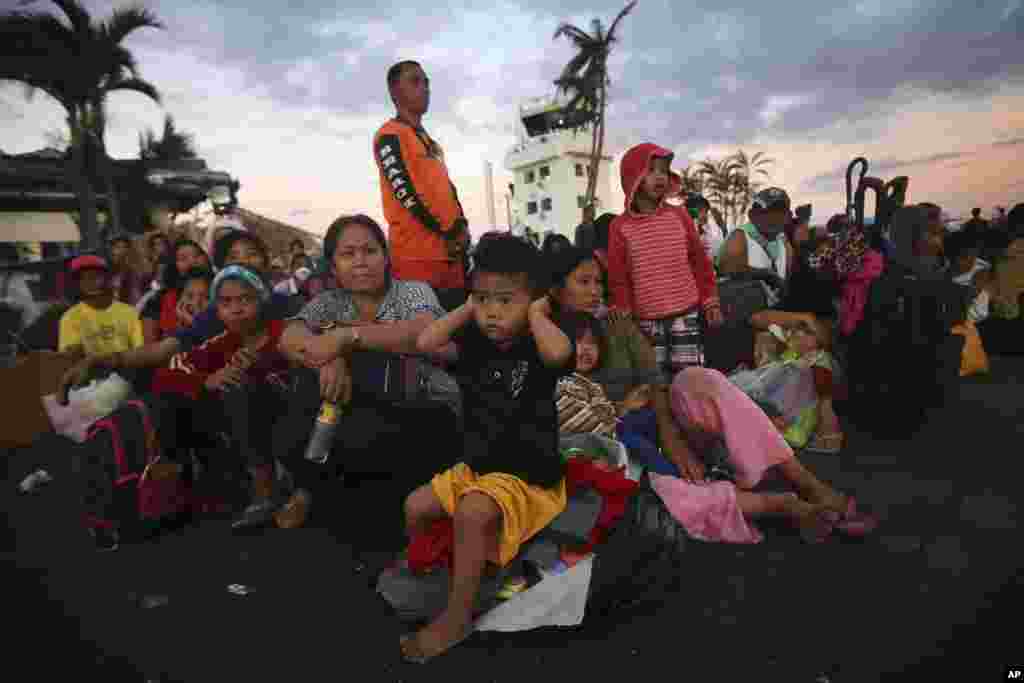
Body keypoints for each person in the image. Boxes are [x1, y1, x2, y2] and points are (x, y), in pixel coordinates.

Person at [548, 246, 873, 543]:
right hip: (621, 445)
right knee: (660, 493)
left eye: (598, 283)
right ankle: (784, 505)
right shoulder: (545, 340)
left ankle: (807, 483)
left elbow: (655, 379)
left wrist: (671, 435)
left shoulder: (616, 322)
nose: (596, 292)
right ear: (556, 289)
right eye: (583, 282)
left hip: (666, 424)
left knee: (697, 379)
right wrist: (622, 409)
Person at [400, 234, 574, 663]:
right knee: (415, 506)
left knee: (473, 511)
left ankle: (457, 619)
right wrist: (468, 306)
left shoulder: (538, 341)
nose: (493, 311)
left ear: (534, 300)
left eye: (505, 300)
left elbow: (560, 354)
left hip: (528, 474)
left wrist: (535, 312)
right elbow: (424, 344)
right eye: (483, 299)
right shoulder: (474, 343)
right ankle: (444, 581)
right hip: (479, 467)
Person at [272, 214, 460, 530]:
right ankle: (322, 493)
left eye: (370, 251)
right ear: (333, 267)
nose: (361, 262)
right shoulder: (329, 302)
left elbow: (423, 332)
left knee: (360, 386)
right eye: (348, 254)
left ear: (385, 258)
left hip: (424, 411)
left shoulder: (412, 292)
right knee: (305, 405)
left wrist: (346, 339)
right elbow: (290, 338)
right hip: (362, 412)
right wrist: (330, 357)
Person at [59, 230, 303, 399]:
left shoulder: (291, 305)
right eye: (233, 257)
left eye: (251, 253)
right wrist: (103, 360)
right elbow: (165, 349)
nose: (244, 262)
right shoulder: (213, 318)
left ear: (265, 259)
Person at [151, 265, 293, 532]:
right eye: (226, 302)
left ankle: (266, 491)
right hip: (247, 435)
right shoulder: (224, 342)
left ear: (262, 301)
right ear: (217, 310)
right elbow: (169, 370)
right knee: (179, 394)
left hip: (292, 428)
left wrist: (257, 369)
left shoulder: (283, 332)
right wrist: (206, 380)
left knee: (240, 386)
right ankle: (180, 483)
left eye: (245, 299)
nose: (236, 309)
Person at [606, 143, 722, 375]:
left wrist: (711, 300)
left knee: (691, 379)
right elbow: (619, 277)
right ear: (633, 178)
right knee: (655, 382)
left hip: (686, 314)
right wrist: (624, 311)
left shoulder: (679, 216)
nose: (659, 177)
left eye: (663, 171)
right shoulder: (619, 227)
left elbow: (699, 262)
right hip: (646, 322)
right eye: (651, 170)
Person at [374, 60, 469, 312]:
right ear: (395, 92)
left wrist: (462, 226)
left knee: (457, 340)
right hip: (415, 260)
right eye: (415, 81)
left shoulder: (430, 141)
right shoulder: (389, 135)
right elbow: (406, 193)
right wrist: (448, 231)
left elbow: (448, 191)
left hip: (451, 259)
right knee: (425, 342)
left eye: (426, 82)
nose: (425, 88)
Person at [58, 255, 144, 362]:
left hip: (127, 372)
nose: (90, 281)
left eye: (95, 276)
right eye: (83, 278)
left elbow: (140, 351)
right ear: (76, 284)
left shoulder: (130, 313)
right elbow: (70, 358)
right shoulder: (69, 318)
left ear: (107, 279)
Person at [717, 187, 795, 300]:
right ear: (752, 215)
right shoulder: (740, 236)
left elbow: (787, 279)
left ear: (788, 216)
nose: (775, 218)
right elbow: (728, 270)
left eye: (781, 212)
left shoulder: (784, 242)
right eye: (767, 212)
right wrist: (766, 274)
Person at [139, 239, 211, 343]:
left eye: (196, 255)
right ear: (173, 266)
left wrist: (193, 324)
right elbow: (149, 347)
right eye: (183, 258)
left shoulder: (222, 289)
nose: (192, 261)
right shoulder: (157, 300)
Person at [106, 234, 147, 306]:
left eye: (119, 247)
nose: (114, 251)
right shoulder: (107, 271)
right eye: (113, 247)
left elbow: (135, 300)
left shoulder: (132, 274)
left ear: (127, 250)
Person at [686, 193, 725, 263]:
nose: (699, 214)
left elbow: (718, 254)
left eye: (701, 209)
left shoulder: (715, 230)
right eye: (694, 209)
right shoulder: (682, 229)